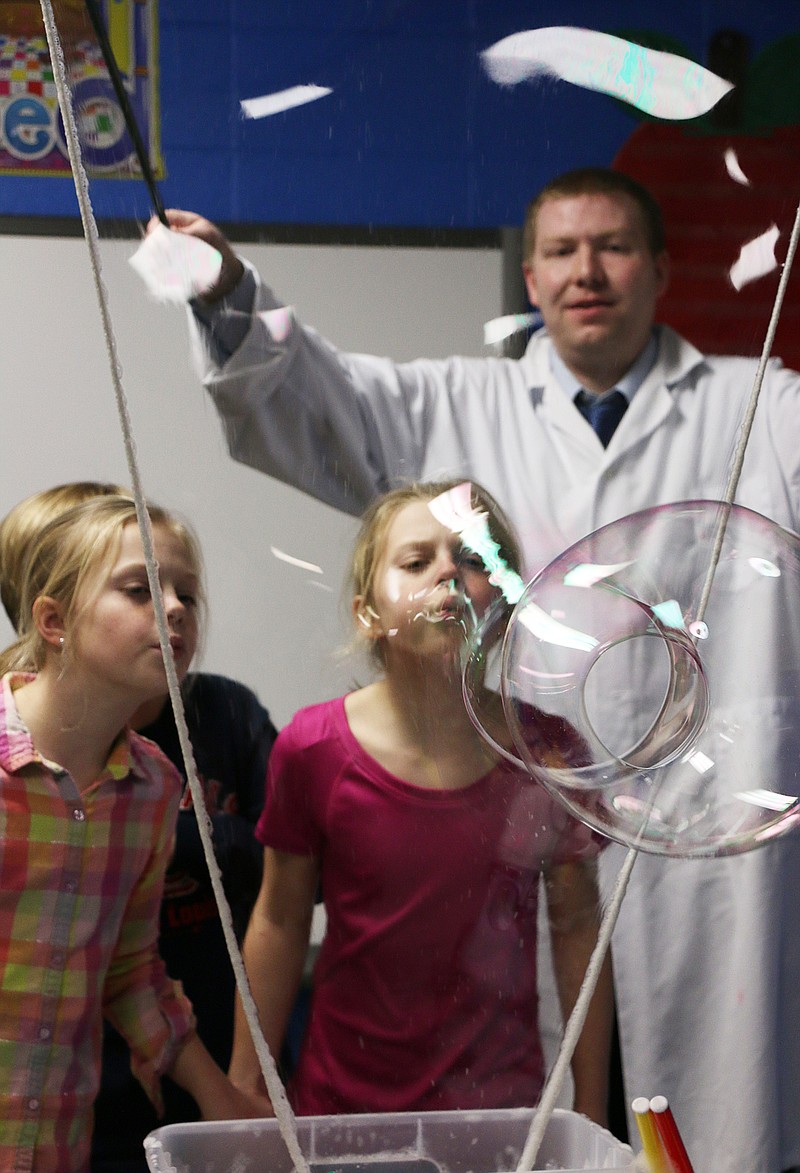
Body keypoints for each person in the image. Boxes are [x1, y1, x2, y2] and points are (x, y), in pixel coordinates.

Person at [150, 166, 800, 1173]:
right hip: (509, 852)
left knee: (710, 1124)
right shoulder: (450, 402)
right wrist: (227, 292)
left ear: (662, 269)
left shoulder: (765, 406)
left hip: (714, 854)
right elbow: (308, 396)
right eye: (560, 251)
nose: (587, 271)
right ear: (529, 278)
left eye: (613, 246)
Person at [228, 479, 612, 1121]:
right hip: (341, 1113)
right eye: (415, 561)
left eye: (473, 559)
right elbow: (280, 922)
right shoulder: (311, 748)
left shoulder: (546, 752)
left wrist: (594, 1111)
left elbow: (577, 929)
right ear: (366, 614)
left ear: (509, 603)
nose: (448, 572)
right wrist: (246, 1090)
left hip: (500, 1120)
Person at [0, 482, 279, 1173]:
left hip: (58, 1146)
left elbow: (129, 966)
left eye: (187, 592)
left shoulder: (153, 786)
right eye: (141, 589)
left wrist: (219, 1095)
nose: (177, 609)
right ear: (54, 620)